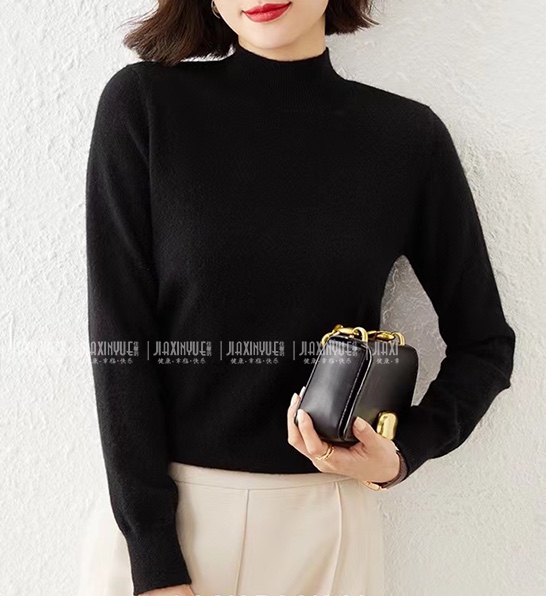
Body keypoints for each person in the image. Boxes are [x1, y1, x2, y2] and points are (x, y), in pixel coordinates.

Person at [80, 1, 516, 595]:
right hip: (164, 530)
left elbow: (486, 344)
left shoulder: (407, 139)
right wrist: (153, 559)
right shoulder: (145, 105)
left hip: (326, 529)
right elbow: (120, 339)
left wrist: (401, 454)